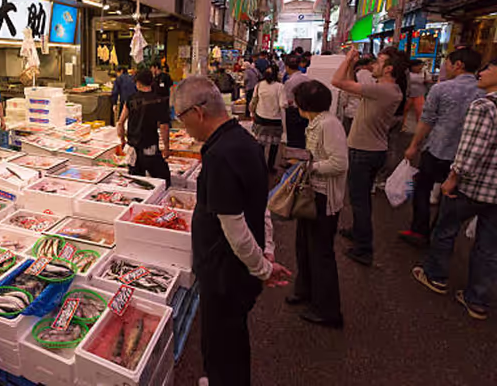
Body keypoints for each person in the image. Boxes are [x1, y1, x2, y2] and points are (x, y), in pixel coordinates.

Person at [173, 76, 290, 386]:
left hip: (225, 274)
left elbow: (235, 228)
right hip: (237, 272)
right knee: (231, 340)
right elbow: (260, 204)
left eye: (182, 119)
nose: (184, 128)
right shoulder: (244, 140)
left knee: (222, 346)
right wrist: (267, 252)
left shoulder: (220, 156)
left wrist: (263, 268)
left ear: (197, 113)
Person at [412, 58, 497, 321]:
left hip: (472, 186)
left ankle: (435, 276)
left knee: (446, 229)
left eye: (489, 68)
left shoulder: (484, 106)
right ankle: (477, 300)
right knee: (488, 246)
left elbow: (471, 150)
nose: (481, 72)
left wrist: (453, 177)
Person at [400, 48, 484, 246]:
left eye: (448, 64)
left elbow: (427, 121)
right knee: (451, 196)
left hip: (437, 149)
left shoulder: (441, 89)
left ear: (458, 65)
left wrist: (414, 145)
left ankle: (419, 231)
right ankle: (439, 235)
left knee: (422, 189)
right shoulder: (484, 93)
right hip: (464, 155)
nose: (446, 67)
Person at [332, 47, 408, 266]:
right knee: (361, 198)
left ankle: (364, 249)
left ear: (389, 69)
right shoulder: (386, 89)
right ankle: (358, 232)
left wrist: (348, 59)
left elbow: (337, 82)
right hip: (372, 150)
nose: (374, 64)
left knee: (360, 201)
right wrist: (352, 64)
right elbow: (350, 85)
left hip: (364, 152)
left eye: (379, 62)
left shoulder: (383, 90)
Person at [288, 81, 348, 328]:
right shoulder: (317, 122)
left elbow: (339, 163)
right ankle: (306, 291)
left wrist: (309, 167)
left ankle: (328, 311)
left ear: (305, 104)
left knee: (321, 251)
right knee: (304, 246)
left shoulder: (328, 125)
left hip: (323, 197)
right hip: (311, 194)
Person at [117, 69, 171, 186]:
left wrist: (122, 140)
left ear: (138, 83)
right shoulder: (159, 100)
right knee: (163, 181)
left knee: (136, 183)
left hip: (133, 149)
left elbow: (120, 123)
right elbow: (164, 126)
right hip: (150, 149)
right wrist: (166, 147)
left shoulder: (130, 100)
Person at [251, 65, 287, 173]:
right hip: (275, 120)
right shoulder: (280, 87)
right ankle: (270, 167)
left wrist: (252, 112)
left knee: (260, 145)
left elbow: (253, 101)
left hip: (260, 118)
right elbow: (283, 105)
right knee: (274, 146)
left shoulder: (259, 85)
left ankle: (260, 166)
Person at [339, 58, 375, 134]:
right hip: (365, 112)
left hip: (351, 111)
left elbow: (344, 98)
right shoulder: (371, 76)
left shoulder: (353, 76)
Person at [283, 55, 310, 149]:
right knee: (303, 136)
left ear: (287, 67)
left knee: (293, 137)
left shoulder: (289, 82)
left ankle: (293, 155)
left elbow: (287, 100)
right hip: (306, 111)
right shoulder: (307, 78)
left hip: (293, 112)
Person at [402, 59, 429, 130]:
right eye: (419, 66)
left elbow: (429, 81)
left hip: (419, 94)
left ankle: (419, 128)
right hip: (409, 94)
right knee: (405, 110)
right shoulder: (407, 73)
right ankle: (402, 125)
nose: (420, 67)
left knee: (420, 111)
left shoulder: (424, 72)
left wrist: (427, 80)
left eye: (421, 66)